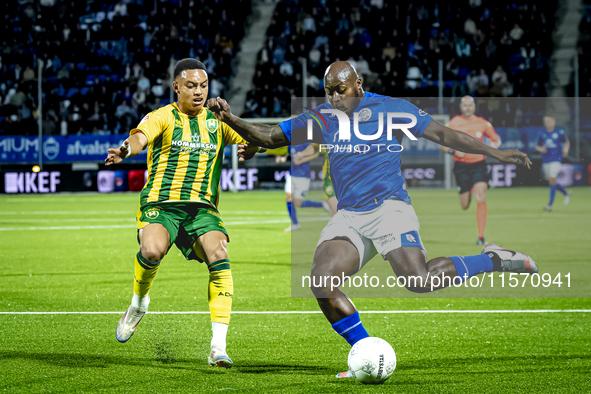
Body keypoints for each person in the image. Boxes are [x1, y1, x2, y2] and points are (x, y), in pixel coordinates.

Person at [208, 61, 537, 377]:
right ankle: (366, 354)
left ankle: (492, 259)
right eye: (329, 92)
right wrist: (230, 119)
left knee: (418, 280)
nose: (336, 97)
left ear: (357, 84)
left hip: (389, 208)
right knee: (322, 281)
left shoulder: (393, 109)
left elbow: (444, 135)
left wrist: (496, 153)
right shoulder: (322, 118)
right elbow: (269, 136)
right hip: (350, 215)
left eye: (341, 89)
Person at [105, 59, 262, 369]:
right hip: (161, 204)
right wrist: (125, 150)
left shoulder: (218, 121)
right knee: (151, 250)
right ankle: (138, 304)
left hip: (201, 208)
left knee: (219, 254)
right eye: (191, 86)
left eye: (203, 86)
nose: (199, 91)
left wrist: (250, 147)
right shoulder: (163, 116)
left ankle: (218, 346)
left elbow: (251, 139)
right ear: (176, 87)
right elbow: (140, 137)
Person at [440, 96, 501, 245]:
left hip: (479, 164)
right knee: (464, 205)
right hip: (461, 167)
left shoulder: (482, 123)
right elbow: (442, 144)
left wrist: (493, 147)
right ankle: (467, 190)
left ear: (474, 107)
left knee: (482, 196)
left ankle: (481, 237)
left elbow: (496, 139)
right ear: (461, 107)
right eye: (465, 105)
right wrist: (453, 152)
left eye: (470, 105)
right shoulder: (454, 122)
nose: (467, 108)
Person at [283, 143, 331, 232]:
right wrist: (282, 158)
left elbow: (315, 154)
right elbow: (289, 155)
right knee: (289, 198)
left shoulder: (305, 141)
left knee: (298, 203)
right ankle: (295, 224)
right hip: (291, 174)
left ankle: (323, 204)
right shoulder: (290, 142)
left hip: (303, 176)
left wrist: (301, 160)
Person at [535, 114, 571, 211]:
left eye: (549, 121)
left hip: (556, 159)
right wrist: (541, 149)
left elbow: (566, 142)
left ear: (554, 122)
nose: (548, 123)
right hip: (546, 160)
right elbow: (537, 146)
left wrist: (566, 149)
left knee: (552, 180)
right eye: (546, 121)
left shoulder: (559, 132)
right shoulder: (542, 133)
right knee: (552, 182)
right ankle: (565, 192)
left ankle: (550, 205)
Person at [292, 143, 338, 216]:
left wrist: (302, 157)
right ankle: (295, 224)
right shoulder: (329, 136)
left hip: (350, 179)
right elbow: (316, 147)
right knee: (336, 212)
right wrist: (302, 154)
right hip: (331, 180)